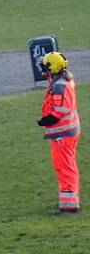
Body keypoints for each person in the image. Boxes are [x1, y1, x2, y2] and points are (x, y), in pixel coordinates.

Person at [38, 52, 81, 213]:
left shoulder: (59, 85)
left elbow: (61, 110)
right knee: (68, 166)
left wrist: (46, 120)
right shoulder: (63, 81)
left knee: (64, 167)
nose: (44, 71)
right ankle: (70, 200)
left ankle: (69, 205)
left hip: (63, 135)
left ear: (53, 68)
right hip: (68, 131)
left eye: (46, 68)